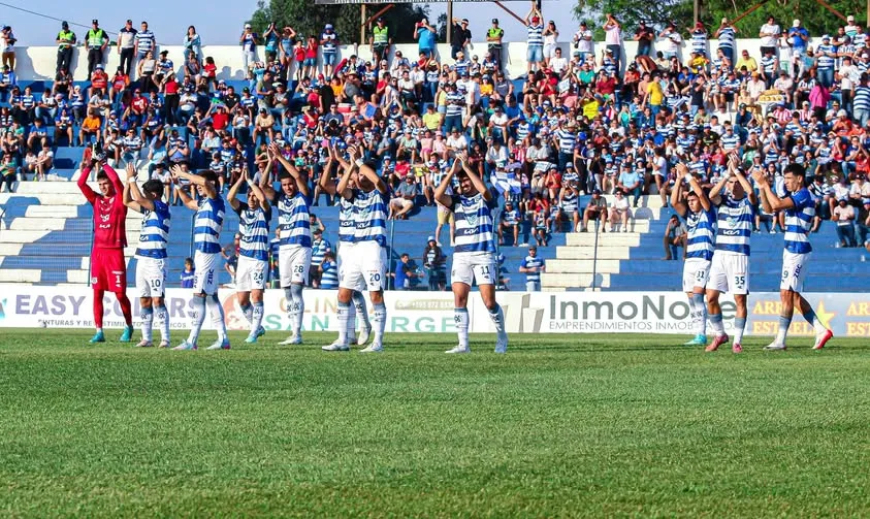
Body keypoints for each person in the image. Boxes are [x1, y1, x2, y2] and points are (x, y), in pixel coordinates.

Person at [753, 163, 834, 351]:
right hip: (791, 248)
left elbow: (778, 205)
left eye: (789, 179)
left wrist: (765, 185)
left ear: (799, 178)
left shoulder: (803, 194)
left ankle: (780, 340)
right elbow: (769, 208)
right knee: (793, 296)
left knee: (786, 294)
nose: (786, 182)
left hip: (798, 249)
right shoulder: (794, 197)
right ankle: (821, 330)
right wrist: (762, 188)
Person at [434, 155, 508, 354]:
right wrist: (452, 172)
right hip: (461, 255)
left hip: (483, 254)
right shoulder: (456, 201)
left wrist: (466, 168)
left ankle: (502, 337)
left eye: (467, 181)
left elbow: (483, 189)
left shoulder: (487, 198)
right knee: (459, 298)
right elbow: (437, 196)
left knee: (489, 301)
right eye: (462, 182)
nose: (465, 184)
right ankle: (463, 344)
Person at [326, 145, 388, 353]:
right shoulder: (356, 196)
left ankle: (377, 341)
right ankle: (343, 339)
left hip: (373, 247)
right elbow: (341, 190)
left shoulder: (380, 194)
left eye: (363, 174)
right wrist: (351, 164)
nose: (360, 177)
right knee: (344, 294)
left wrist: (359, 162)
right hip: (354, 248)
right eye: (358, 175)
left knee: (375, 295)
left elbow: (377, 180)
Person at [77, 147, 134, 343]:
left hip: (115, 252)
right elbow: (80, 183)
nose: (102, 187)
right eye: (100, 184)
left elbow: (119, 182)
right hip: (98, 253)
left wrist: (103, 163)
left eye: (105, 183)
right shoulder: (96, 200)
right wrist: (91, 164)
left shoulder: (120, 200)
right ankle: (99, 331)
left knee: (120, 294)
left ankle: (128, 326)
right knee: (97, 293)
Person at [170, 166, 230, 351]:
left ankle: (192, 341)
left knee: (199, 296)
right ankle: (223, 339)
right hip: (204, 252)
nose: (197, 186)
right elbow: (188, 203)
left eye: (198, 183)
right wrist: (179, 186)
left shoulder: (215, 199)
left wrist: (183, 174)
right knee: (211, 297)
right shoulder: (205, 202)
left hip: (207, 252)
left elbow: (203, 182)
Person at [319, 148, 372, 351]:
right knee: (346, 290)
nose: (349, 181)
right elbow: (324, 184)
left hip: (360, 242)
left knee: (354, 290)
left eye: (351, 178)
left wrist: (349, 162)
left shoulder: (361, 194)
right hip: (345, 245)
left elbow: (360, 176)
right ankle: (348, 334)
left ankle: (363, 323)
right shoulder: (343, 194)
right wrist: (332, 161)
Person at [261, 143, 312, 346]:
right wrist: (270, 163)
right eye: (284, 185)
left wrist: (281, 157)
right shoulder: (280, 199)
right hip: (284, 248)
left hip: (301, 246)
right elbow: (264, 187)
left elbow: (299, 177)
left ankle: (297, 333)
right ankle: (293, 332)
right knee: (287, 291)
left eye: (289, 184)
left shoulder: (303, 196)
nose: (288, 187)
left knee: (297, 289)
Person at [705, 157, 756, 354]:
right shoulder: (723, 200)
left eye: (736, 182)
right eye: (731, 183)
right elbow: (711, 194)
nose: (733, 185)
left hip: (739, 256)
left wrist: (738, 172)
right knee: (710, 297)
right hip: (720, 255)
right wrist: (728, 174)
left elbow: (751, 191)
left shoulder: (747, 203)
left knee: (739, 300)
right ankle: (720, 334)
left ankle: (737, 341)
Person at [122, 163, 171, 348]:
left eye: (146, 194)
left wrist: (133, 178)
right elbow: (126, 200)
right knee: (144, 298)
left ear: (154, 195)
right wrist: (128, 181)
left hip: (156, 259)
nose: (143, 197)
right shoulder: (149, 210)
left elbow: (139, 198)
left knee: (158, 299)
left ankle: (165, 338)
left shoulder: (161, 207)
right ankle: (147, 338)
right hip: (141, 258)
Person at [671, 163, 715, 346]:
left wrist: (688, 175)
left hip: (704, 259)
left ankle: (702, 334)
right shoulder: (688, 216)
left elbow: (702, 195)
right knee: (691, 298)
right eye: (688, 201)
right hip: (690, 259)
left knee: (698, 296)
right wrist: (679, 178)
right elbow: (674, 202)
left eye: (693, 200)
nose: (690, 203)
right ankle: (698, 332)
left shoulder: (708, 212)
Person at [227, 169, 272, 344]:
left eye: (254, 196)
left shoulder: (264, 212)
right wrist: (241, 180)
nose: (253, 199)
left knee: (256, 296)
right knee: (242, 300)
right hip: (243, 259)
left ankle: (253, 332)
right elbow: (230, 198)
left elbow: (263, 199)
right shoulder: (243, 211)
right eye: (250, 196)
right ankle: (257, 327)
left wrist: (252, 183)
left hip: (259, 259)